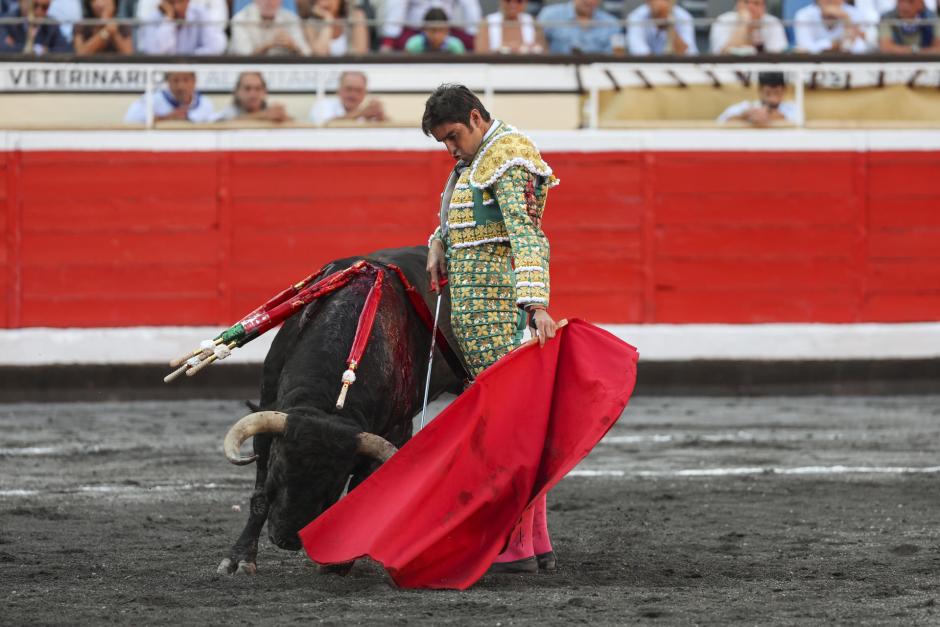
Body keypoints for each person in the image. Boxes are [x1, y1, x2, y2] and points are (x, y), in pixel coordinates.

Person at [423, 84, 559, 574]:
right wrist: (438, 242)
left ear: (476, 118)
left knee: (507, 431)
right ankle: (535, 540)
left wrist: (536, 305)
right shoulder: (473, 162)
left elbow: (527, 236)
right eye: (443, 141)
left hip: (502, 313)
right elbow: (468, 224)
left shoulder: (508, 155)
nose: (451, 147)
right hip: (477, 316)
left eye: (454, 136)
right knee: (507, 425)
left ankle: (516, 545)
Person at [380, 0, 481, 50]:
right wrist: (389, 40)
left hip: (447, 29)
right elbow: (397, 6)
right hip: (415, 30)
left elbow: (470, 5)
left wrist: (474, 36)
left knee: (466, 44)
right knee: (402, 46)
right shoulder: (412, 42)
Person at [138, 0, 227, 54]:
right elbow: (154, 52)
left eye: (179, 1)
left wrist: (187, 60)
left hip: (194, 71)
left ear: (187, 1)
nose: (176, 7)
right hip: (163, 75)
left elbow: (216, 46)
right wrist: (169, 20)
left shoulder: (200, 14)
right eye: (171, 2)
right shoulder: (153, 18)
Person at [124, 71, 216, 124]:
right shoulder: (152, 99)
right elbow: (129, 120)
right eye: (175, 80)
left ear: (194, 81)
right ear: (168, 81)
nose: (181, 86)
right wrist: (165, 119)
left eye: (186, 80)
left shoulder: (206, 103)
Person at [229, 0, 310, 55]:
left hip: (282, 69)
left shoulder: (290, 18)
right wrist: (269, 45)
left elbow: (307, 53)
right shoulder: (241, 18)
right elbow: (244, 56)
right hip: (250, 73)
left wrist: (293, 46)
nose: (269, 2)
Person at [538, 0, 620, 54]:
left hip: (596, 75)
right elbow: (539, 48)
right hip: (557, 72)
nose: (589, 1)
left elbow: (614, 57)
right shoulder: (549, 15)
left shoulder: (611, 23)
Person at [308, 70, 388, 126]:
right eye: (349, 89)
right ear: (338, 90)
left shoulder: (366, 112)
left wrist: (382, 118)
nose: (353, 94)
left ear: (365, 93)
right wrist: (361, 114)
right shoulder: (322, 105)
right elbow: (326, 125)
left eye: (358, 90)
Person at [717, 72, 798, 126]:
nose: (772, 98)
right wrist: (745, 116)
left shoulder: (792, 108)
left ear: (784, 90)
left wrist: (768, 115)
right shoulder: (746, 106)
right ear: (760, 90)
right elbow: (720, 122)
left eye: (777, 93)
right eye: (768, 93)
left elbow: (797, 123)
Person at [794, 0, 873, 53]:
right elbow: (805, 48)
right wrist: (834, 45)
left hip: (845, 65)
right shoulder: (804, 15)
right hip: (815, 66)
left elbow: (858, 46)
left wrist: (846, 20)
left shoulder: (855, 13)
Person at [709, 0, 788, 53]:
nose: (750, 7)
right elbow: (723, 54)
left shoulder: (772, 23)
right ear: (738, 3)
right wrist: (744, 24)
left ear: (763, 8)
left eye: (756, 3)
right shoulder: (723, 21)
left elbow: (778, 55)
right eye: (746, 2)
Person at [214, 72, 293, 122]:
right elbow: (226, 124)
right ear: (237, 92)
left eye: (258, 89)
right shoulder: (229, 111)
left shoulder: (270, 111)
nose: (253, 94)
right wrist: (263, 116)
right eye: (247, 89)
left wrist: (283, 118)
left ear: (264, 92)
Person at [626, 0, 698, 55]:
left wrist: (670, 26)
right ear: (647, 1)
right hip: (647, 68)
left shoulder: (684, 17)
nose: (661, 2)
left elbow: (689, 54)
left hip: (676, 68)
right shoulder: (635, 17)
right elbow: (639, 53)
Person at [0, 0, 73, 53]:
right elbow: (3, 48)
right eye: (35, 5)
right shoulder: (6, 21)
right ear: (22, 2)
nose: (39, 11)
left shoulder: (51, 25)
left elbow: (66, 50)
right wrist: (40, 50)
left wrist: (16, 46)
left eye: (45, 7)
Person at [474, 0, 545, 54]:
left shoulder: (532, 23)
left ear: (525, 2)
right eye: (508, 0)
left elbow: (544, 51)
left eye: (518, 1)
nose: (513, 4)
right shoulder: (488, 23)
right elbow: (480, 53)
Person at [303, 0, 368, 55]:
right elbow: (321, 53)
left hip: (350, 68)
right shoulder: (310, 24)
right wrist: (328, 19)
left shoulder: (355, 16)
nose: (325, 3)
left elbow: (361, 52)